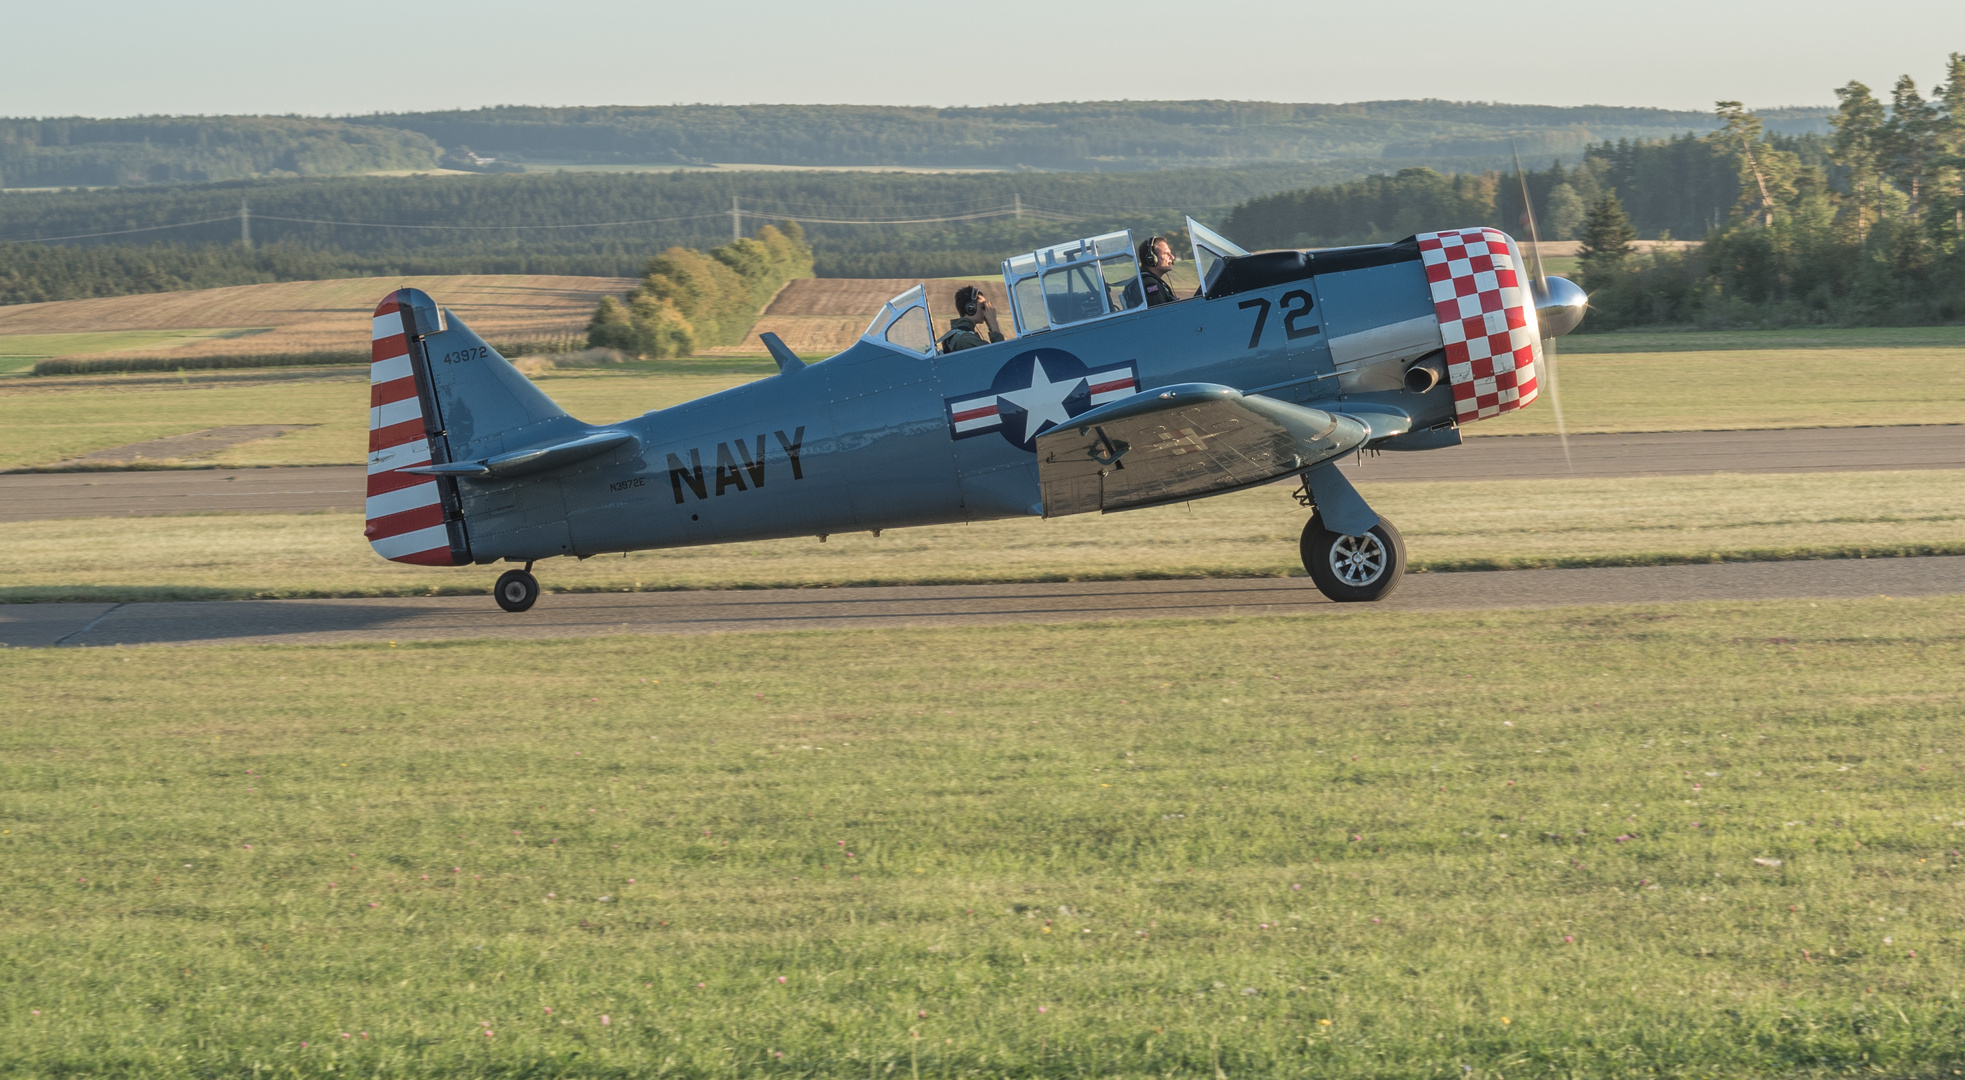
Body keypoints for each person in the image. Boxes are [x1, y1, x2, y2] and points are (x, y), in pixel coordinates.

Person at [938, 285, 1007, 353]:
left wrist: (990, 326)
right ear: (971, 308)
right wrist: (993, 322)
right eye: (983, 307)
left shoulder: (962, 335)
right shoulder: (965, 339)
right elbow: (1000, 354)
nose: (986, 311)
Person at [1137, 235, 1189, 307]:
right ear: (1151, 259)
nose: (1172, 257)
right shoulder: (1150, 284)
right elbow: (1162, 314)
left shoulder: (1148, 281)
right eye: (1166, 254)